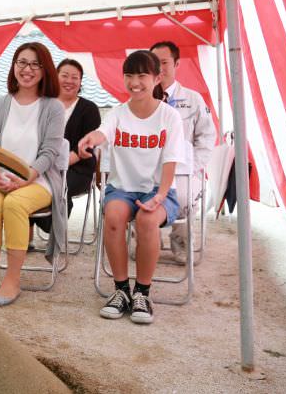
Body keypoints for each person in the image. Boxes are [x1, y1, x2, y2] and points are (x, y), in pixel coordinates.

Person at [78, 50, 184, 324]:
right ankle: (122, 290)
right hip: (122, 188)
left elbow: (171, 161)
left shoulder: (169, 117)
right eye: (129, 75)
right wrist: (92, 137)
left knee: (148, 221)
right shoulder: (117, 113)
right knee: (113, 217)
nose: (134, 82)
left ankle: (143, 293)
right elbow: (103, 132)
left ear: (157, 78)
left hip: (158, 189)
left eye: (142, 76)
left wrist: (160, 196)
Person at [0, 42, 65, 307]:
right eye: (22, 62)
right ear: (13, 67)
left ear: (45, 70)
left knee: (13, 204)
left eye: (35, 64)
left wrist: (26, 178)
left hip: (39, 179)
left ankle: (12, 280)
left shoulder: (53, 108)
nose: (27, 69)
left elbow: (49, 152)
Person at [150, 41, 216, 263]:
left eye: (164, 62)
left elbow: (207, 138)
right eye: (153, 63)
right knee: (134, 189)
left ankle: (180, 240)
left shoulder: (193, 99)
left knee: (183, 194)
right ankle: (148, 236)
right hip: (148, 170)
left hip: (184, 171)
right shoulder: (141, 99)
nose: (158, 68)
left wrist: (190, 166)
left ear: (177, 64)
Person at [32, 58, 102, 237]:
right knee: (26, 183)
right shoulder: (42, 104)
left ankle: (53, 228)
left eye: (75, 77)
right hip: (41, 165)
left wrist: (52, 166)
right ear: (55, 77)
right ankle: (25, 235)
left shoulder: (89, 109)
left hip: (77, 168)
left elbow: (85, 150)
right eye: (64, 75)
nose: (69, 81)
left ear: (80, 82)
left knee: (51, 186)